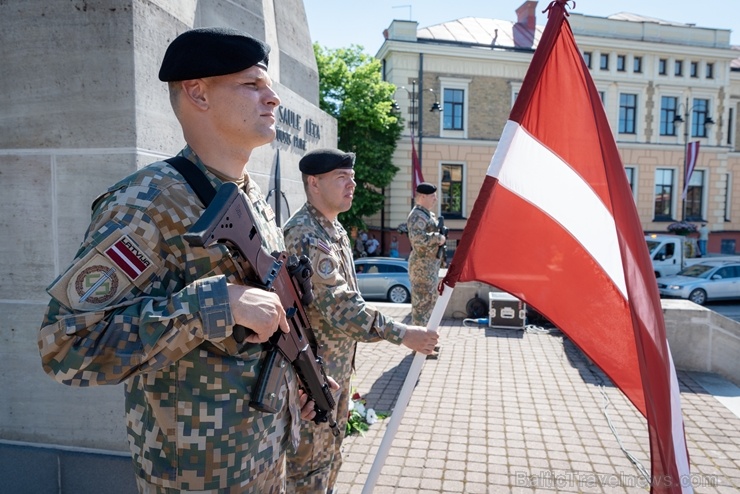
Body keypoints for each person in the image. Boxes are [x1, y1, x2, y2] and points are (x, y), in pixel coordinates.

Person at [37, 27, 324, 493]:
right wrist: (215, 304)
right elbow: (66, 344)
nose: (272, 98)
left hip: (265, 463)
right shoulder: (145, 203)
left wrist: (301, 384)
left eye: (268, 85)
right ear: (197, 93)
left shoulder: (256, 204)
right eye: (252, 84)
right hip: (197, 478)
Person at [282, 149, 439, 493]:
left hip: (333, 372)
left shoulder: (332, 229)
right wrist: (401, 333)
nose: (352, 184)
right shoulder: (306, 234)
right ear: (314, 183)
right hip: (311, 374)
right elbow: (340, 306)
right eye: (342, 177)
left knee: (331, 456)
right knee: (308, 470)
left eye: (351, 177)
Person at [407, 182, 447, 328]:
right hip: (421, 269)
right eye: (433, 196)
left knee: (429, 305)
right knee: (422, 307)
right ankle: (420, 346)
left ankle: (426, 342)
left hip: (428, 267)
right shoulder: (417, 216)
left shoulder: (425, 214)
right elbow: (418, 240)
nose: (435, 199)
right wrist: (438, 238)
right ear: (423, 196)